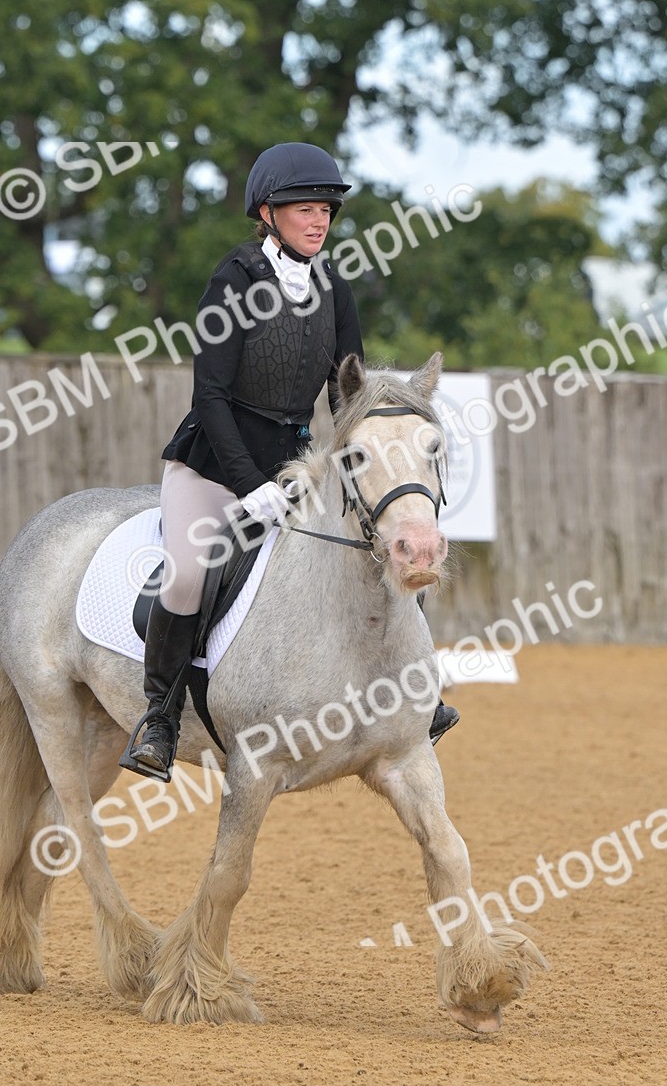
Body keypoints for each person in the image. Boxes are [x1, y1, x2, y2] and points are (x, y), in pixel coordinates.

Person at [120, 142, 458, 783]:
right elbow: (210, 397)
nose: (319, 220)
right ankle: (158, 718)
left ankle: (418, 697)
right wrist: (249, 486)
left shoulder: (334, 287)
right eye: (305, 208)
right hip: (212, 467)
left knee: (387, 545)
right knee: (189, 574)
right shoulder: (234, 281)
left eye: (326, 209)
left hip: (296, 468)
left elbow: (346, 395)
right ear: (267, 214)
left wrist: (360, 463)